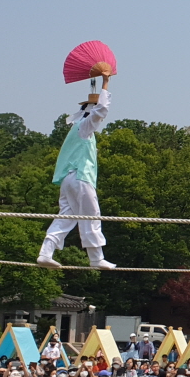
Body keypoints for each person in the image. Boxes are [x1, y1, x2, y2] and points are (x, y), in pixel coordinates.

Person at [36, 69, 116, 269]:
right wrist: (106, 82)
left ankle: (46, 252)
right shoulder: (84, 127)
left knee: (66, 216)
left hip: (67, 180)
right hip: (80, 178)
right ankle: (96, 258)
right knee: (91, 214)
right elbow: (102, 110)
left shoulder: (75, 129)